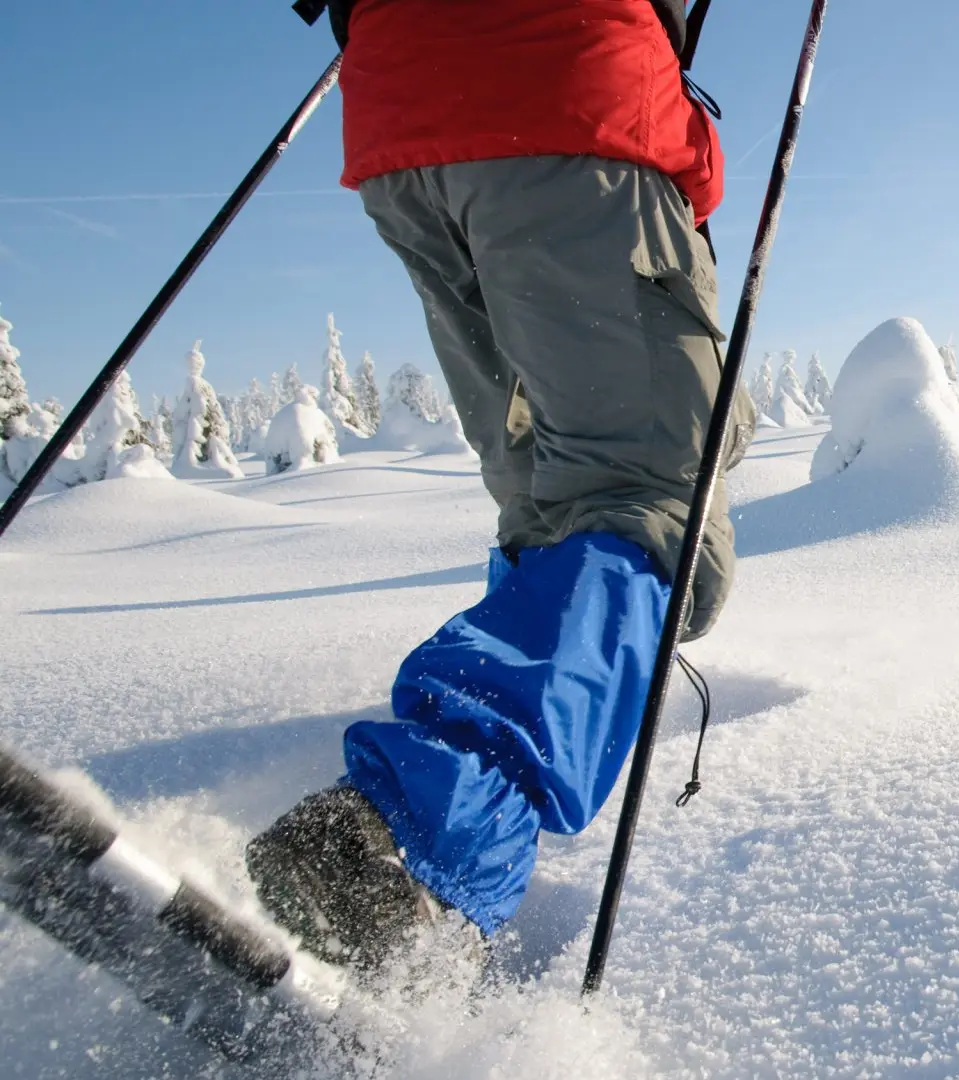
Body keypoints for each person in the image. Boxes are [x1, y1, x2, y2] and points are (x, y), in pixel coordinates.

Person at [246, 0, 754, 974]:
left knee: (553, 496)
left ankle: (458, 775)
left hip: (403, 109)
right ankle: (412, 846)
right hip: (573, 83)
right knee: (645, 497)